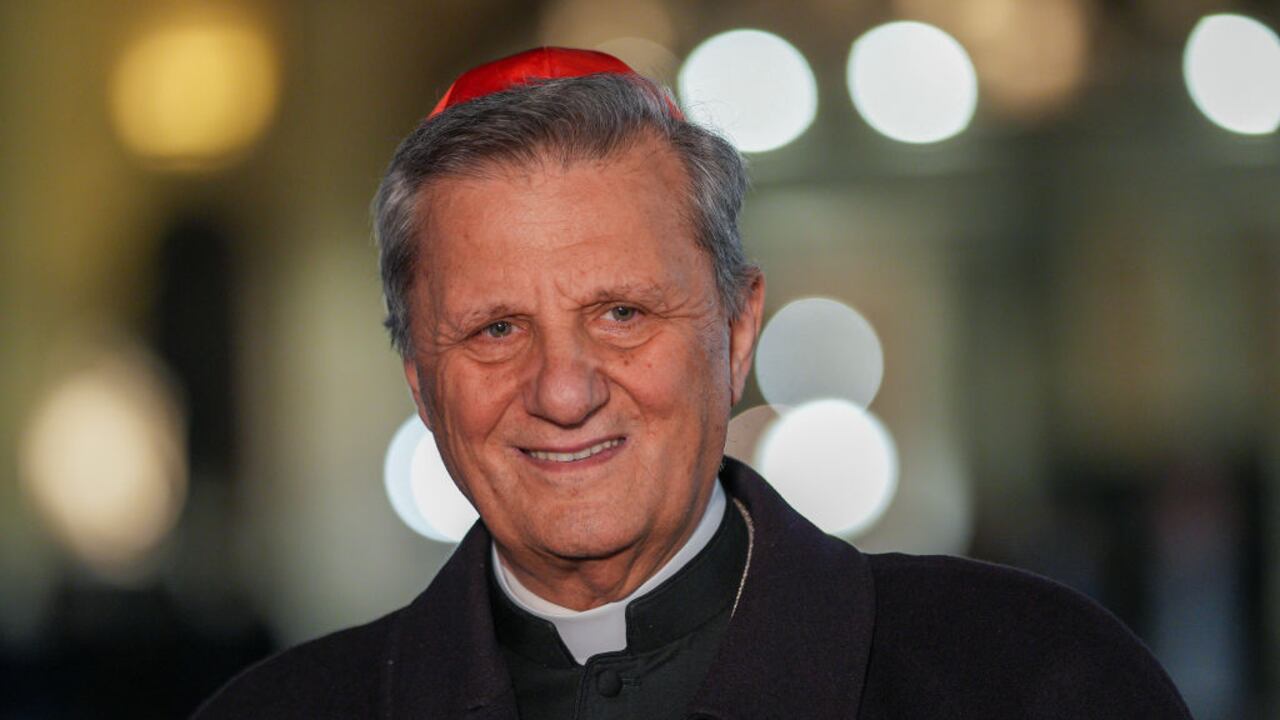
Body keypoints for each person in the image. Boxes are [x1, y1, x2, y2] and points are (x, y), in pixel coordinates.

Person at [195, 47, 1191, 719]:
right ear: (421, 384)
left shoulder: (1026, 676)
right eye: (495, 329)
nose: (564, 390)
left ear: (737, 329)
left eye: (620, 313)